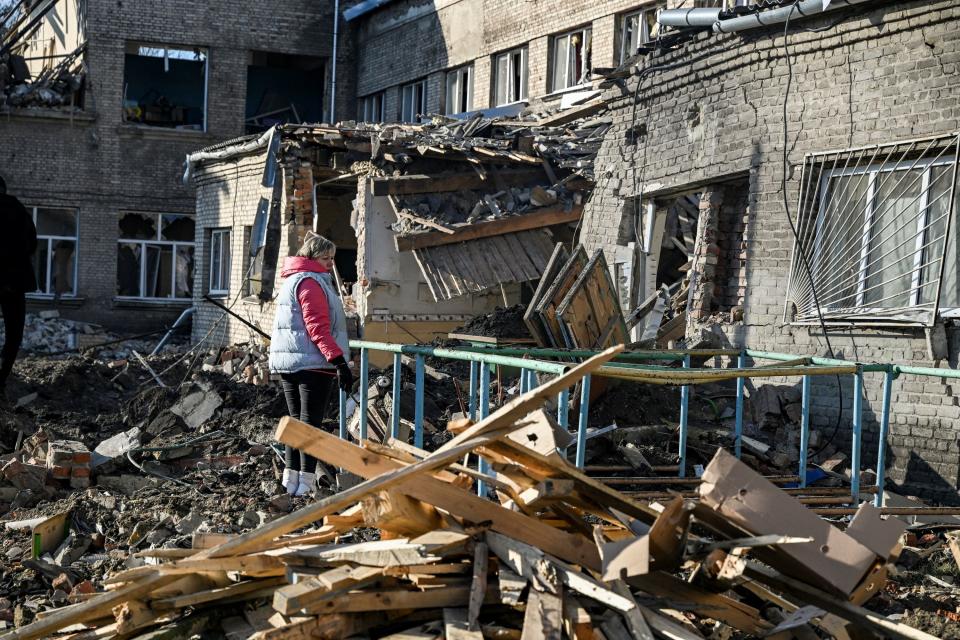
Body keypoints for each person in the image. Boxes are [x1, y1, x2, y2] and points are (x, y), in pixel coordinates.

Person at [269, 232, 353, 496]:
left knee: (296, 424)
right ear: (312, 256)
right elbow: (317, 328)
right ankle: (306, 484)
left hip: (290, 362)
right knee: (310, 424)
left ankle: (290, 481)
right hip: (312, 364)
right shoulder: (311, 282)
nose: (330, 263)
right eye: (326, 258)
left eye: (332, 258)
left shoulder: (292, 279)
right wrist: (338, 361)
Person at [0, 176, 37, 400]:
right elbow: (31, 242)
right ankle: (2, 379)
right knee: (14, 334)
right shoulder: (17, 209)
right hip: (14, 282)